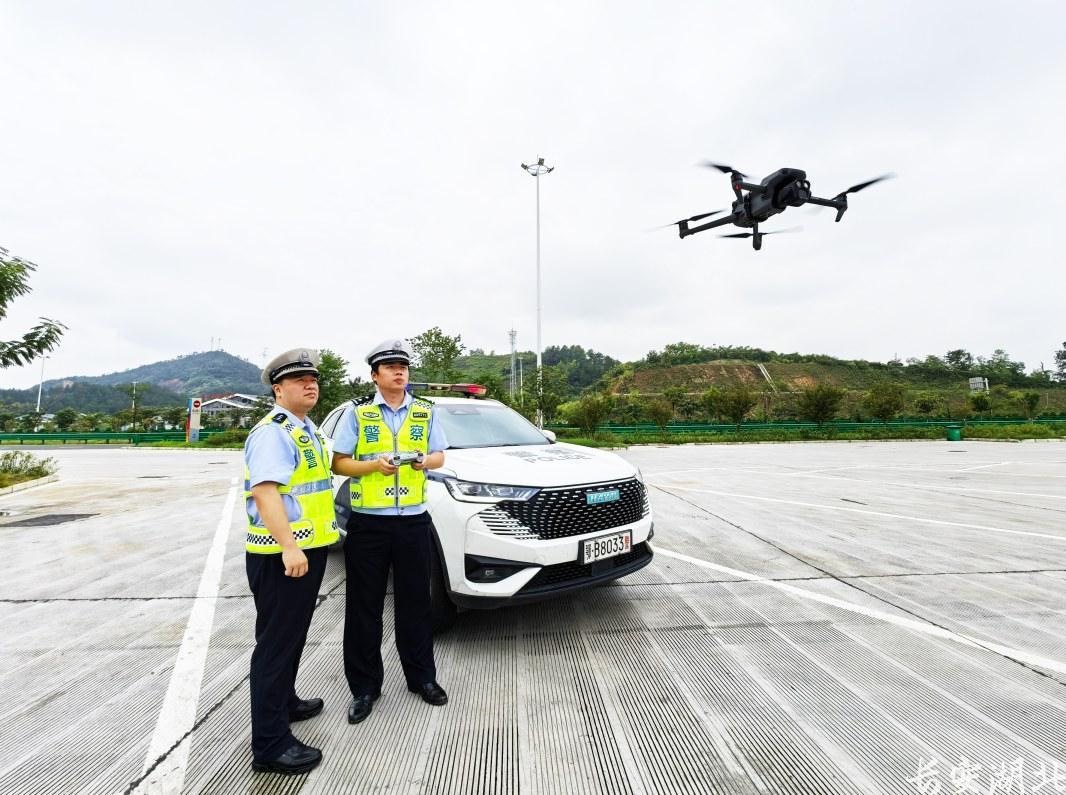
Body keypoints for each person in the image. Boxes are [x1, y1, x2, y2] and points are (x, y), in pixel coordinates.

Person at [331, 338, 449, 725]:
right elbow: (339, 463)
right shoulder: (358, 413)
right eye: (390, 367)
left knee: (416, 603)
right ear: (375, 375)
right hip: (369, 523)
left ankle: (422, 678)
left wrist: (424, 461)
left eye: (404, 366)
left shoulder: (425, 411)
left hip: (413, 521)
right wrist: (373, 466)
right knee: (363, 607)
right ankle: (364, 688)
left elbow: (440, 455)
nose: (399, 372)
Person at [243, 348, 339, 775]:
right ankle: (270, 745)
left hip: (305, 549)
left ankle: (285, 701)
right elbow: (266, 492)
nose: (310, 384)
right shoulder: (273, 432)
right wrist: (289, 546)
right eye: (300, 380)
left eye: (313, 379)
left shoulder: (305, 429)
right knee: (276, 645)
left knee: (292, 636)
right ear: (278, 390)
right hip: (282, 555)